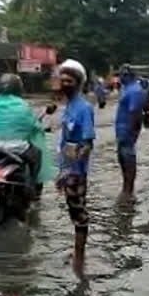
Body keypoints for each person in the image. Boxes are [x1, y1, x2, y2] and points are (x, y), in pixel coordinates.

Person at [0, 74, 54, 197]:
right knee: (37, 154)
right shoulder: (22, 106)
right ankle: (33, 188)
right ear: (18, 88)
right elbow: (32, 126)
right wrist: (42, 128)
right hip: (17, 148)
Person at [56, 59, 95, 268]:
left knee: (79, 214)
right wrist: (60, 170)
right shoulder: (69, 106)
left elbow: (87, 144)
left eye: (69, 81)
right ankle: (77, 253)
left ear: (78, 83)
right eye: (62, 80)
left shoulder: (84, 108)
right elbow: (64, 142)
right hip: (67, 170)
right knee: (73, 212)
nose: (64, 84)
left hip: (76, 172)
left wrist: (70, 171)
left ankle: (80, 260)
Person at [115, 67, 148, 198]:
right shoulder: (127, 89)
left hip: (127, 131)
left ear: (128, 76)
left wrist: (132, 132)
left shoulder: (134, 90)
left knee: (128, 158)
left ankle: (129, 190)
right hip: (122, 131)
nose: (119, 78)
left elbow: (135, 113)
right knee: (122, 158)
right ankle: (126, 187)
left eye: (122, 75)